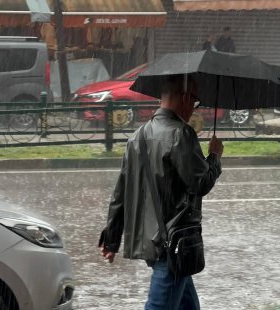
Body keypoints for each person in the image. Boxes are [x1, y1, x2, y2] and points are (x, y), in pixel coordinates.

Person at [98, 74, 224, 310]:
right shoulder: (181, 134)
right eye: (195, 101)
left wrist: (112, 239)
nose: (194, 108)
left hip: (153, 241)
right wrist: (215, 157)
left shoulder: (137, 137)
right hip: (174, 243)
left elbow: (121, 192)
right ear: (186, 98)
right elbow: (201, 184)